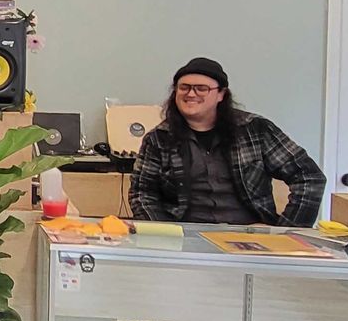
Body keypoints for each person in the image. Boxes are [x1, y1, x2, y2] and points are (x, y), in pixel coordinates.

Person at [129, 56, 326, 227]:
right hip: (186, 240)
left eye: (201, 88)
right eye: (184, 88)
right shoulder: (158, 139)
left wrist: (285, 232)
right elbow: (142, 194)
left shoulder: (256, 130)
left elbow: (309, 177)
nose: (190, 94)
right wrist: (164, 237)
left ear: (221, 94)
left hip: (251, 239)